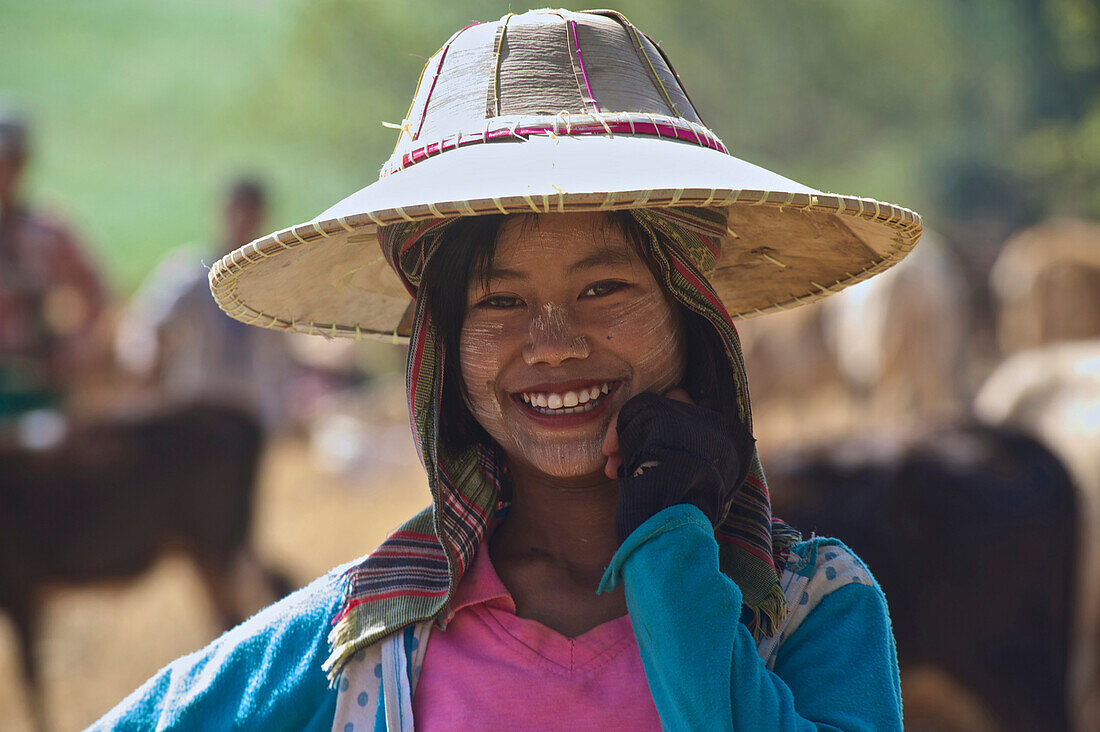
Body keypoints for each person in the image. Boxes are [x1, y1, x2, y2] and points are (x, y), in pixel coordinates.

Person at [94, 9, 921, 730]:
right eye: (498, 303)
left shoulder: (813, 610)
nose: (554, 342)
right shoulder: (361, 645)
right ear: (441, 350)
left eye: (604, 288)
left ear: (692, 316)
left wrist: (668, 547)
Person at [115, 178, 297, 432]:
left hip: (251, 410)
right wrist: (154, 375)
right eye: (237, 211)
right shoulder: (190, 273)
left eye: (251, 213)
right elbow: (148, 326)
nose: (243, 221)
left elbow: (284, 355)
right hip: (198, 406)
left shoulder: (274, 282)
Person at [0, 111, 107, 420]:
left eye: (12, 161)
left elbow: (96, 290)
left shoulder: (47, 230)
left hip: (38, 376)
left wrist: (78, 347)